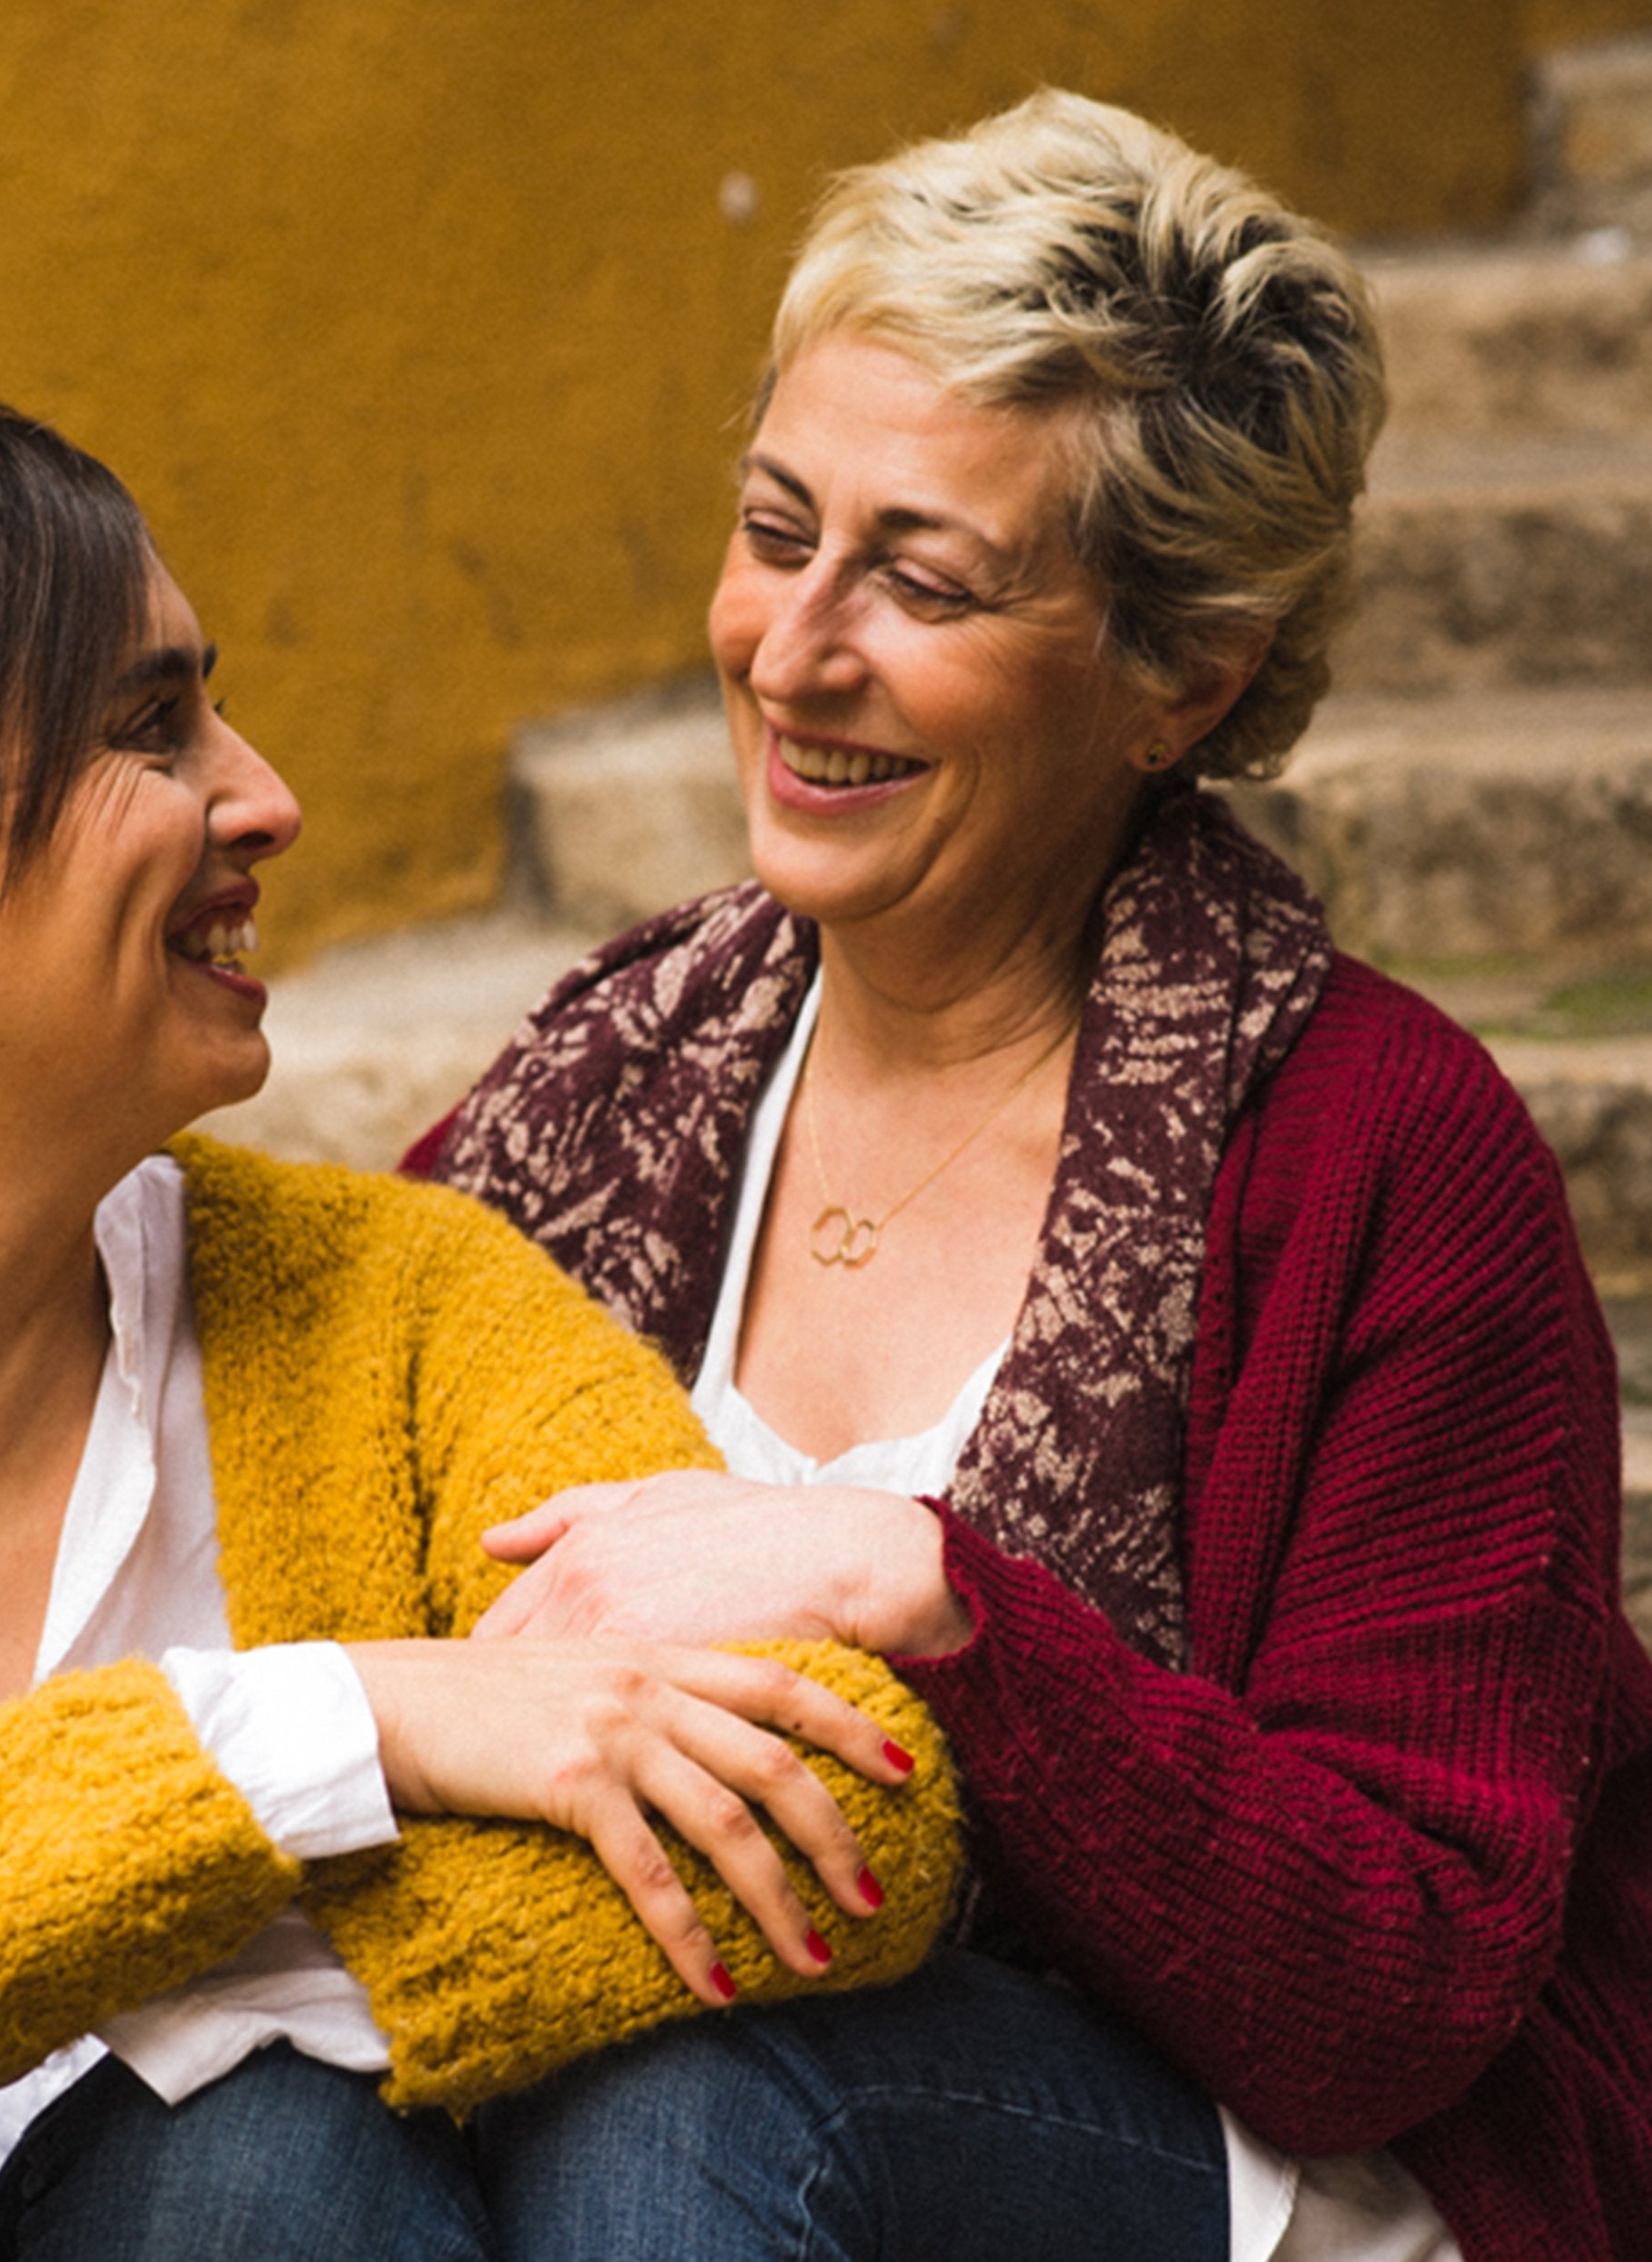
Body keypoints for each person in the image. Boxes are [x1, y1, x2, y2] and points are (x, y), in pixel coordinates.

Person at [0, 369, 964, 2262]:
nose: (264, 795)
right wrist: (358, 1722)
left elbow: (844, 1807)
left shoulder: (402, 1311)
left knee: (252, 2166)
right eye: (153, 729)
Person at [413, 90, 1652, 2261]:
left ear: (1186, 670)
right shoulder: (611, 1081)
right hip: (687, 2077)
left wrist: (933, 1595)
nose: (794, 651)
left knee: (694, 2091)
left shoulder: (1383, 1152)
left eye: (922, 575)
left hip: (1260, 2166)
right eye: (778, 527)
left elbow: (1398, 1981)